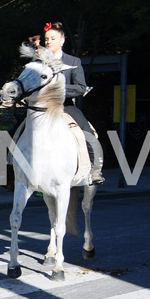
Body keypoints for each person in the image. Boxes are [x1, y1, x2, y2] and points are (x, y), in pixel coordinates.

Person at [43, 22, 104, 185]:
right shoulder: (39, 63)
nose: (48, 41)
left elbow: (80, 87)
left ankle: (95, 171)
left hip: (66, 107)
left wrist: (58, 86)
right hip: (43, 108)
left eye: (52, 38)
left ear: (62, 40)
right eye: (46, 39)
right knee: (19, 130)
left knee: (88, 134)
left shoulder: (73, 61)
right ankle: (10, 171)